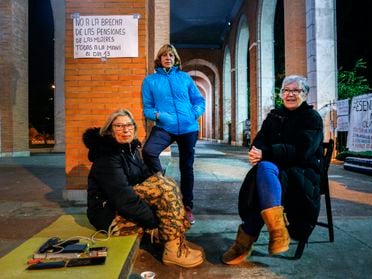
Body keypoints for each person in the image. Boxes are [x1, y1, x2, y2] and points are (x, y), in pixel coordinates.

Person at [83, 109, 204, 268]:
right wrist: (156, 221)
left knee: (166, 183)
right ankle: (173, 252)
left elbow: (148, 178)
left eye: (129, 125)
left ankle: (175, 242)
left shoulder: (131, 149)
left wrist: (166, 210)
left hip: (126, 206)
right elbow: (123, 198)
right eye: (119, 126)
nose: (126, 130)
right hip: (110, 215)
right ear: (110, 130)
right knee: (164, 189)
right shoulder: (107, 156)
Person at [222, 75, 324, 264]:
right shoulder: (274, 116)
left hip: (301, 170)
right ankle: (277, 232)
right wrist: (256, 151)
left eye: (296, 90)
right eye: (285, 90)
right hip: (274, 168)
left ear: (306, 94)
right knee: (264, 169)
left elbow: (302, 151)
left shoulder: (312, 118)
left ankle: (244, 242)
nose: (290, 94)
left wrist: (266, 153)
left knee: (263, 181)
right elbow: (259, 141)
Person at [141, 44, 206, 224]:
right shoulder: (150, 81)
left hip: (188, 128)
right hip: (164, 127)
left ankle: (187, 207)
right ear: (159, 59)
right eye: (164, 55)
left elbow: (199, 100)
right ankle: (163, 185)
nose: (168, 58)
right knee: (148, 151)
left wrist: (193, 113)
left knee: (186, 167)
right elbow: (147, 108)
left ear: (175, 59)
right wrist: (159, 115)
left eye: (171, 55)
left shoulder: (184, 78)